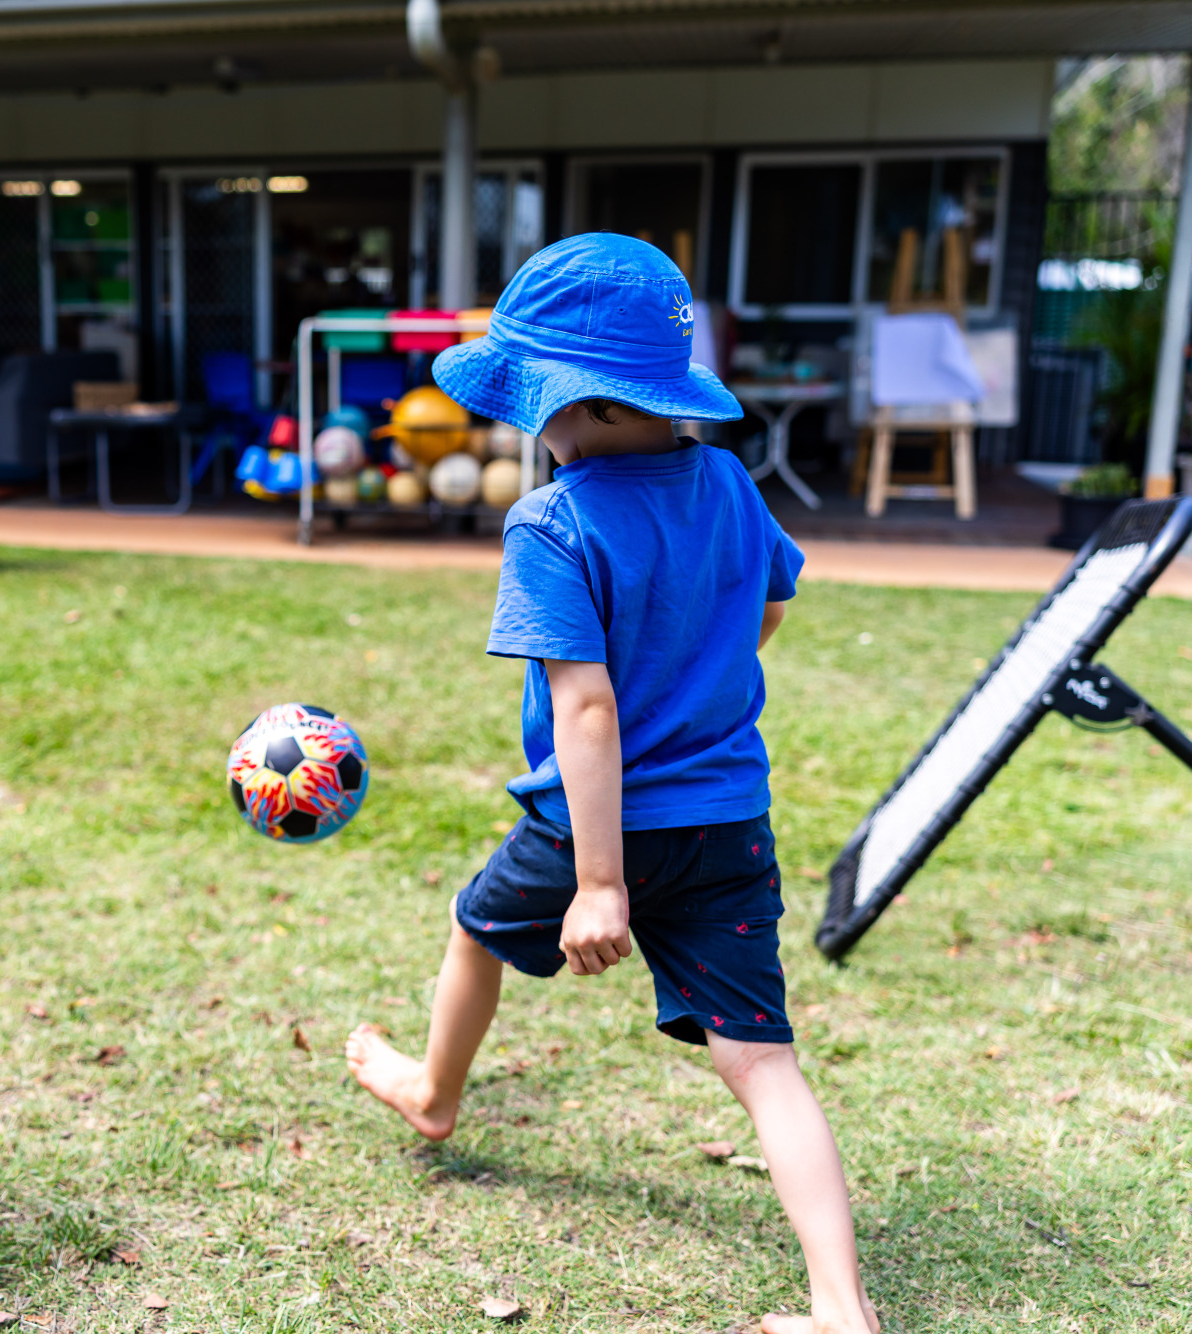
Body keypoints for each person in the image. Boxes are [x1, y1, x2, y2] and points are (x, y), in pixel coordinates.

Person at [343, 235, 876, 1334]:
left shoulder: (553, 520)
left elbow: (584, 710)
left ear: (569, 402)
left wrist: (597, 882)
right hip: (727, 819)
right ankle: (839, 1307)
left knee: (471, 929)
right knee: (762, 1061)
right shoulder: (729, 481)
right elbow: (767, 607)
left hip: (599, 830)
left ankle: (434, 1094)